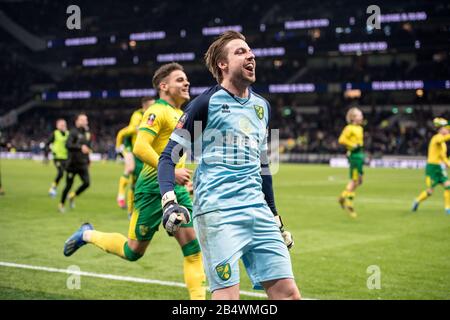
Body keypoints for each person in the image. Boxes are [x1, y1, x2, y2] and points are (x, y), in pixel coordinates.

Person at [158, 31, 300, 300]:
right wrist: (169, 202)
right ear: (223, 65)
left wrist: (276, 219)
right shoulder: (204, 104)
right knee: (227, 299)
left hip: (258, 212)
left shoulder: (262, 107)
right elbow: (167, 158)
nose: (251, 55)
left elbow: (264, 168)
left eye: (250, 51)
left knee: (289, 295)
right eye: (241, 52)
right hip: (218, 213)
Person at [63, 63, 206, 300]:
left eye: (186, 79)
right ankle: (86, 234)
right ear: (164, 86)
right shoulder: (157, 111)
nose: (186, 83)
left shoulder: (181, 115)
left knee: (193, 251)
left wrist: (184, 178)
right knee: (133, 251)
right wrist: (170, 173)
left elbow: (173, 153)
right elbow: (140, 147)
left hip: (175, 191)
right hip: (151, 191)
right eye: (180, 80)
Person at [115, 97, 155, 215]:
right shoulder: (138, 115)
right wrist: (118, 148)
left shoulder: (153, 115)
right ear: (145, 105)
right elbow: (125, 131)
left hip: (141, 152)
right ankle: (121, 194)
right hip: (130, 147)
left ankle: (131, 210)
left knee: (136, 182)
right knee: (130, 168)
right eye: (152, 104)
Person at [412, 117, 450, 214]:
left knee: (448, 186)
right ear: (440, 129)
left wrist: (448, 164)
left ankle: (447, 208)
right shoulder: (436, 138)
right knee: (430, 191)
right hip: (432, 168)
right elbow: (444, 138)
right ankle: (417, 201)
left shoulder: (443, 144)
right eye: (446, 128)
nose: (447, 130)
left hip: (439, 168)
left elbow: (443, 157)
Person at [59, 114, 91, 213]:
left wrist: (88, 159)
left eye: (86, 119)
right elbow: (67, 145)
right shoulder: (73, 132)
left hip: (82, 163)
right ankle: (61, 204)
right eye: (83, 119)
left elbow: (87, 148)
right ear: (77, 121)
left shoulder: (87, 133)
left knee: (87, 183)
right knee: (68, 185)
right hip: (72, 164)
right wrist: (80, 147)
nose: (85, 121)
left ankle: (72, 196)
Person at [338, 107, 365, 219]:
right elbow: (341, 140)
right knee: (354, 181)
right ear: (353, 118)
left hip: (359, 155)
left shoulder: (360, 128)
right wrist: (352, 145)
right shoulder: (349, 128)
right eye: (359, 115)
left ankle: (343, 197)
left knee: (359, 180)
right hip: (354, 156)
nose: (362, 117)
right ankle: (347, 201)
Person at [46, 119, 69, 198]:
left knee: (69, 174)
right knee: (61, 173)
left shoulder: (68, 134)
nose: (63, 126)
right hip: (57, 158)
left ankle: (66, 191)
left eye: (64, 125)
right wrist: (49, 153)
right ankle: (53, 188)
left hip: (66, 158)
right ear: (57, 126)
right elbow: (47, 144)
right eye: (61, 125)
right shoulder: (55, 134)